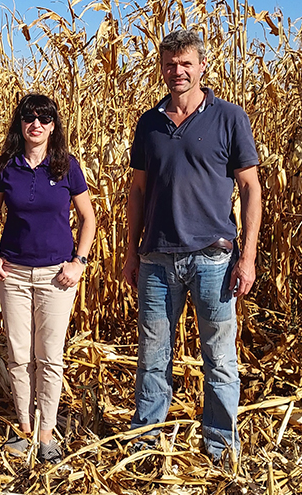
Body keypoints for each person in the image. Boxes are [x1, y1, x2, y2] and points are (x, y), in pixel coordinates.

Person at [122, 29, 262, 462]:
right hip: (158, 259)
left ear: (202, 66)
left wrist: (248, 257)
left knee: (219, 357)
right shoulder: (149, 123)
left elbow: (251, 188)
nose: (177, 71)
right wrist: (131, 252)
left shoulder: (229, 118)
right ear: (160, 67)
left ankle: (221, 445)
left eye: (186, 63)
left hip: (213, 259)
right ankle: (146, 440)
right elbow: (137, 192)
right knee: (152, 356)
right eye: (169, 64)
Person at [0, 93, 96, 463]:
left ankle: (47, 432)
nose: (37, 124)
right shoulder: (6, 166)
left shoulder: (65, 166)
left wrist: (78, 261)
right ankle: (24, 430)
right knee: (18, 354)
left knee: (49, 356)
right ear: (20, 123)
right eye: (29, 118)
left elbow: (88, 218)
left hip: (56, 276)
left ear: (53, 126)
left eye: (44, 119)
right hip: (13, 273)